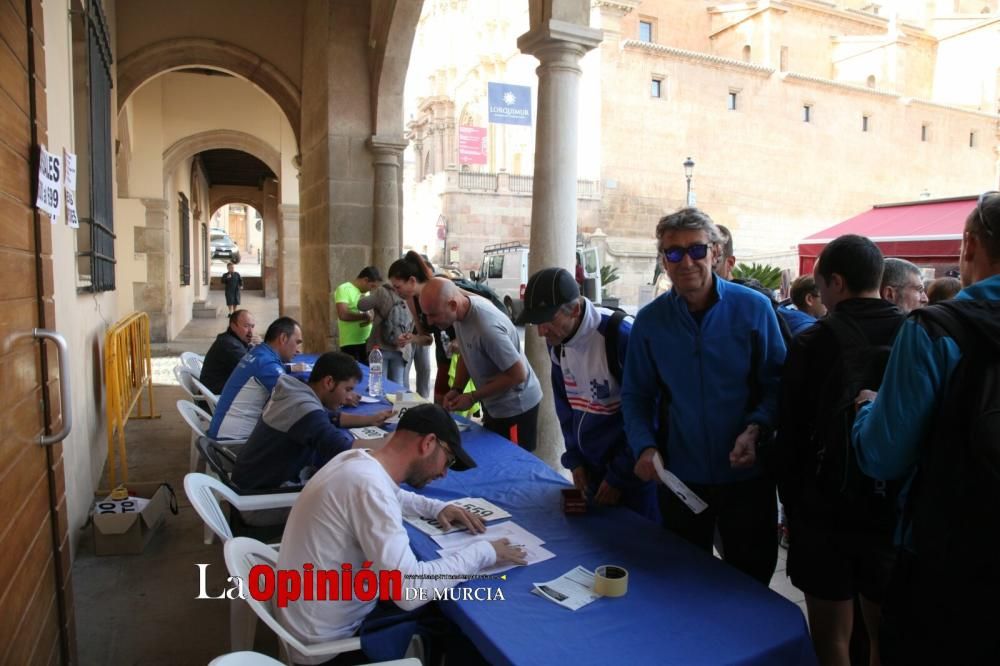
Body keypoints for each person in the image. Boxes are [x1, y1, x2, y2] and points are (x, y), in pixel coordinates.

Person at [852, 192, 1000, 664]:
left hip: (950, 554)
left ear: (970, 244)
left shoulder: (935, 330)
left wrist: (866, 410)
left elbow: (882, 454)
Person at [277, 403, 527, 664]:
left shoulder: (358, 461)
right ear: (428, 443)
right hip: (327, 646)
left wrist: (439, 507)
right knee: (454, 626)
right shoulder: (368, 486)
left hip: (308, 615)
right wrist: (485, 551)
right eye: (448, 460)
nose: (444, 473)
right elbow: (408, 591)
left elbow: (394, 494)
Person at [622, 207, 786, 585]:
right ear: (663, 261)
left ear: (715, 252)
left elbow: (777, 382)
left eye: (696, 250)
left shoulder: (753, 308)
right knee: (683, 582)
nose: (686, 261)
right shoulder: (650, 321)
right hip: (682, 478)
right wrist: (644, 446)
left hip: (748, 477)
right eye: (673, 253)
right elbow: (636, 395)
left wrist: (757, 427)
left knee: (750, 582)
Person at [776, 234, 905, 666]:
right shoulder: (916, 333)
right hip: (891, 509)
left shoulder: (812, 343)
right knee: (884, 633)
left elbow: (790, 435)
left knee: (831, 638)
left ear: (835, 282)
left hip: (823, 509)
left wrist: (793, 507)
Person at [517, 267, 657, 519]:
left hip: (632, 473)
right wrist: (575, 460)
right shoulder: (557, 343)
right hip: (593, 469)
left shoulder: (621, 335)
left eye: (548, 319)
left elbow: (648, 414)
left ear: (576, 309)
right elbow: (565, 406)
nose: (541, 332)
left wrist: (619, 476)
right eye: (536, 322)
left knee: (639, 547)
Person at [420, 277, 543, 451]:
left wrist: (472, 397)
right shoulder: (459, 315)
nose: (430, 322)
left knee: (512, 465)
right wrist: (457, 389)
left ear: (453, 305)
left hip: (517, 408)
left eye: (433, 314)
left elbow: (517, 374)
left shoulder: (486, 327)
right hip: (495, 403)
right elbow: (466, 351)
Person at [233, 352, 363, 490]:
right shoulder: (304, 408)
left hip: (251, 482)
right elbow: (343, 449)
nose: (349, 397)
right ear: (329, 382)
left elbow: (331, 417)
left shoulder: (297, 392)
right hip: (261, 498)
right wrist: (387, 444)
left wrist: (372, 419)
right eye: (347, 389)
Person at [208, 316, 302, 441]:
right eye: (297, 342)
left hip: (223, 434)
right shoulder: (266, 364)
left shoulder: (259, 353)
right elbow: (295, 403)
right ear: (283, 338)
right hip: (232, 443)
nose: (298, 350)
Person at [387, 251, 437, 400]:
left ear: (412, 281)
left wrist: (458, 339)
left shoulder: (438, 287)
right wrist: (412, 338)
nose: (396, 292)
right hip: (444, 351)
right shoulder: (411, 299)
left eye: (398, 287)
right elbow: (427, 339)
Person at [359, 282, 414, 388]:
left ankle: (382, 404)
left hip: (379, 347)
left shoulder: (382, 292)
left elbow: (361, 305)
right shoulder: (411, 295)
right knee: (397, 386)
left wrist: (370, 295)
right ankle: (397, 404)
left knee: (378, 385)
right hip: (402, 347)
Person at [200, 309, 257, 395]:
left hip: (221, 391)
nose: (250, 332)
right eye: (246, 326)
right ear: (233, 326)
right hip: (215, 398)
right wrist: (263, 348)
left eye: (252, 326)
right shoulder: (229, 345)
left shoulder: (235, 340)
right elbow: (253, 368)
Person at [334, 266, 382, 364]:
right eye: (372, 286)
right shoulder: (344, 289)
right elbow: (342, 314)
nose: (372, 290)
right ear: (365, 280)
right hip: (351, 342)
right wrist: (364, 317)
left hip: (367, 340)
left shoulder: (367, 292)